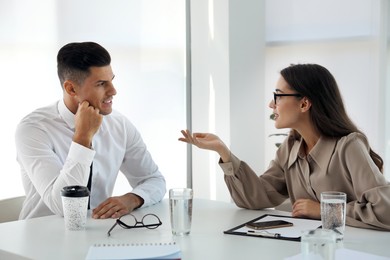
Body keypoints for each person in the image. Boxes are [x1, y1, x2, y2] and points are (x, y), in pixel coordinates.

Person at [179, 63, 390, 230]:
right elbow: (257, 197)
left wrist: (326, 210)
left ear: (304, 104)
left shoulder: (348, 146)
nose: (271, 104)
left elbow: (385, 210)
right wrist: (223, 152)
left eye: (278, 96)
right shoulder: (290, 148)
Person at [15, 42, 166, 220]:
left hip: (97, 234)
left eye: (112, 81)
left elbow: (154, 180)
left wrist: (132, 199)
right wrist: (82, 137)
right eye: (101, 84)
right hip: (42, 237)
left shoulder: (120, 125)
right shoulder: (34, 129)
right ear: (71, 88)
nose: (113, 91)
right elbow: (62, 207)